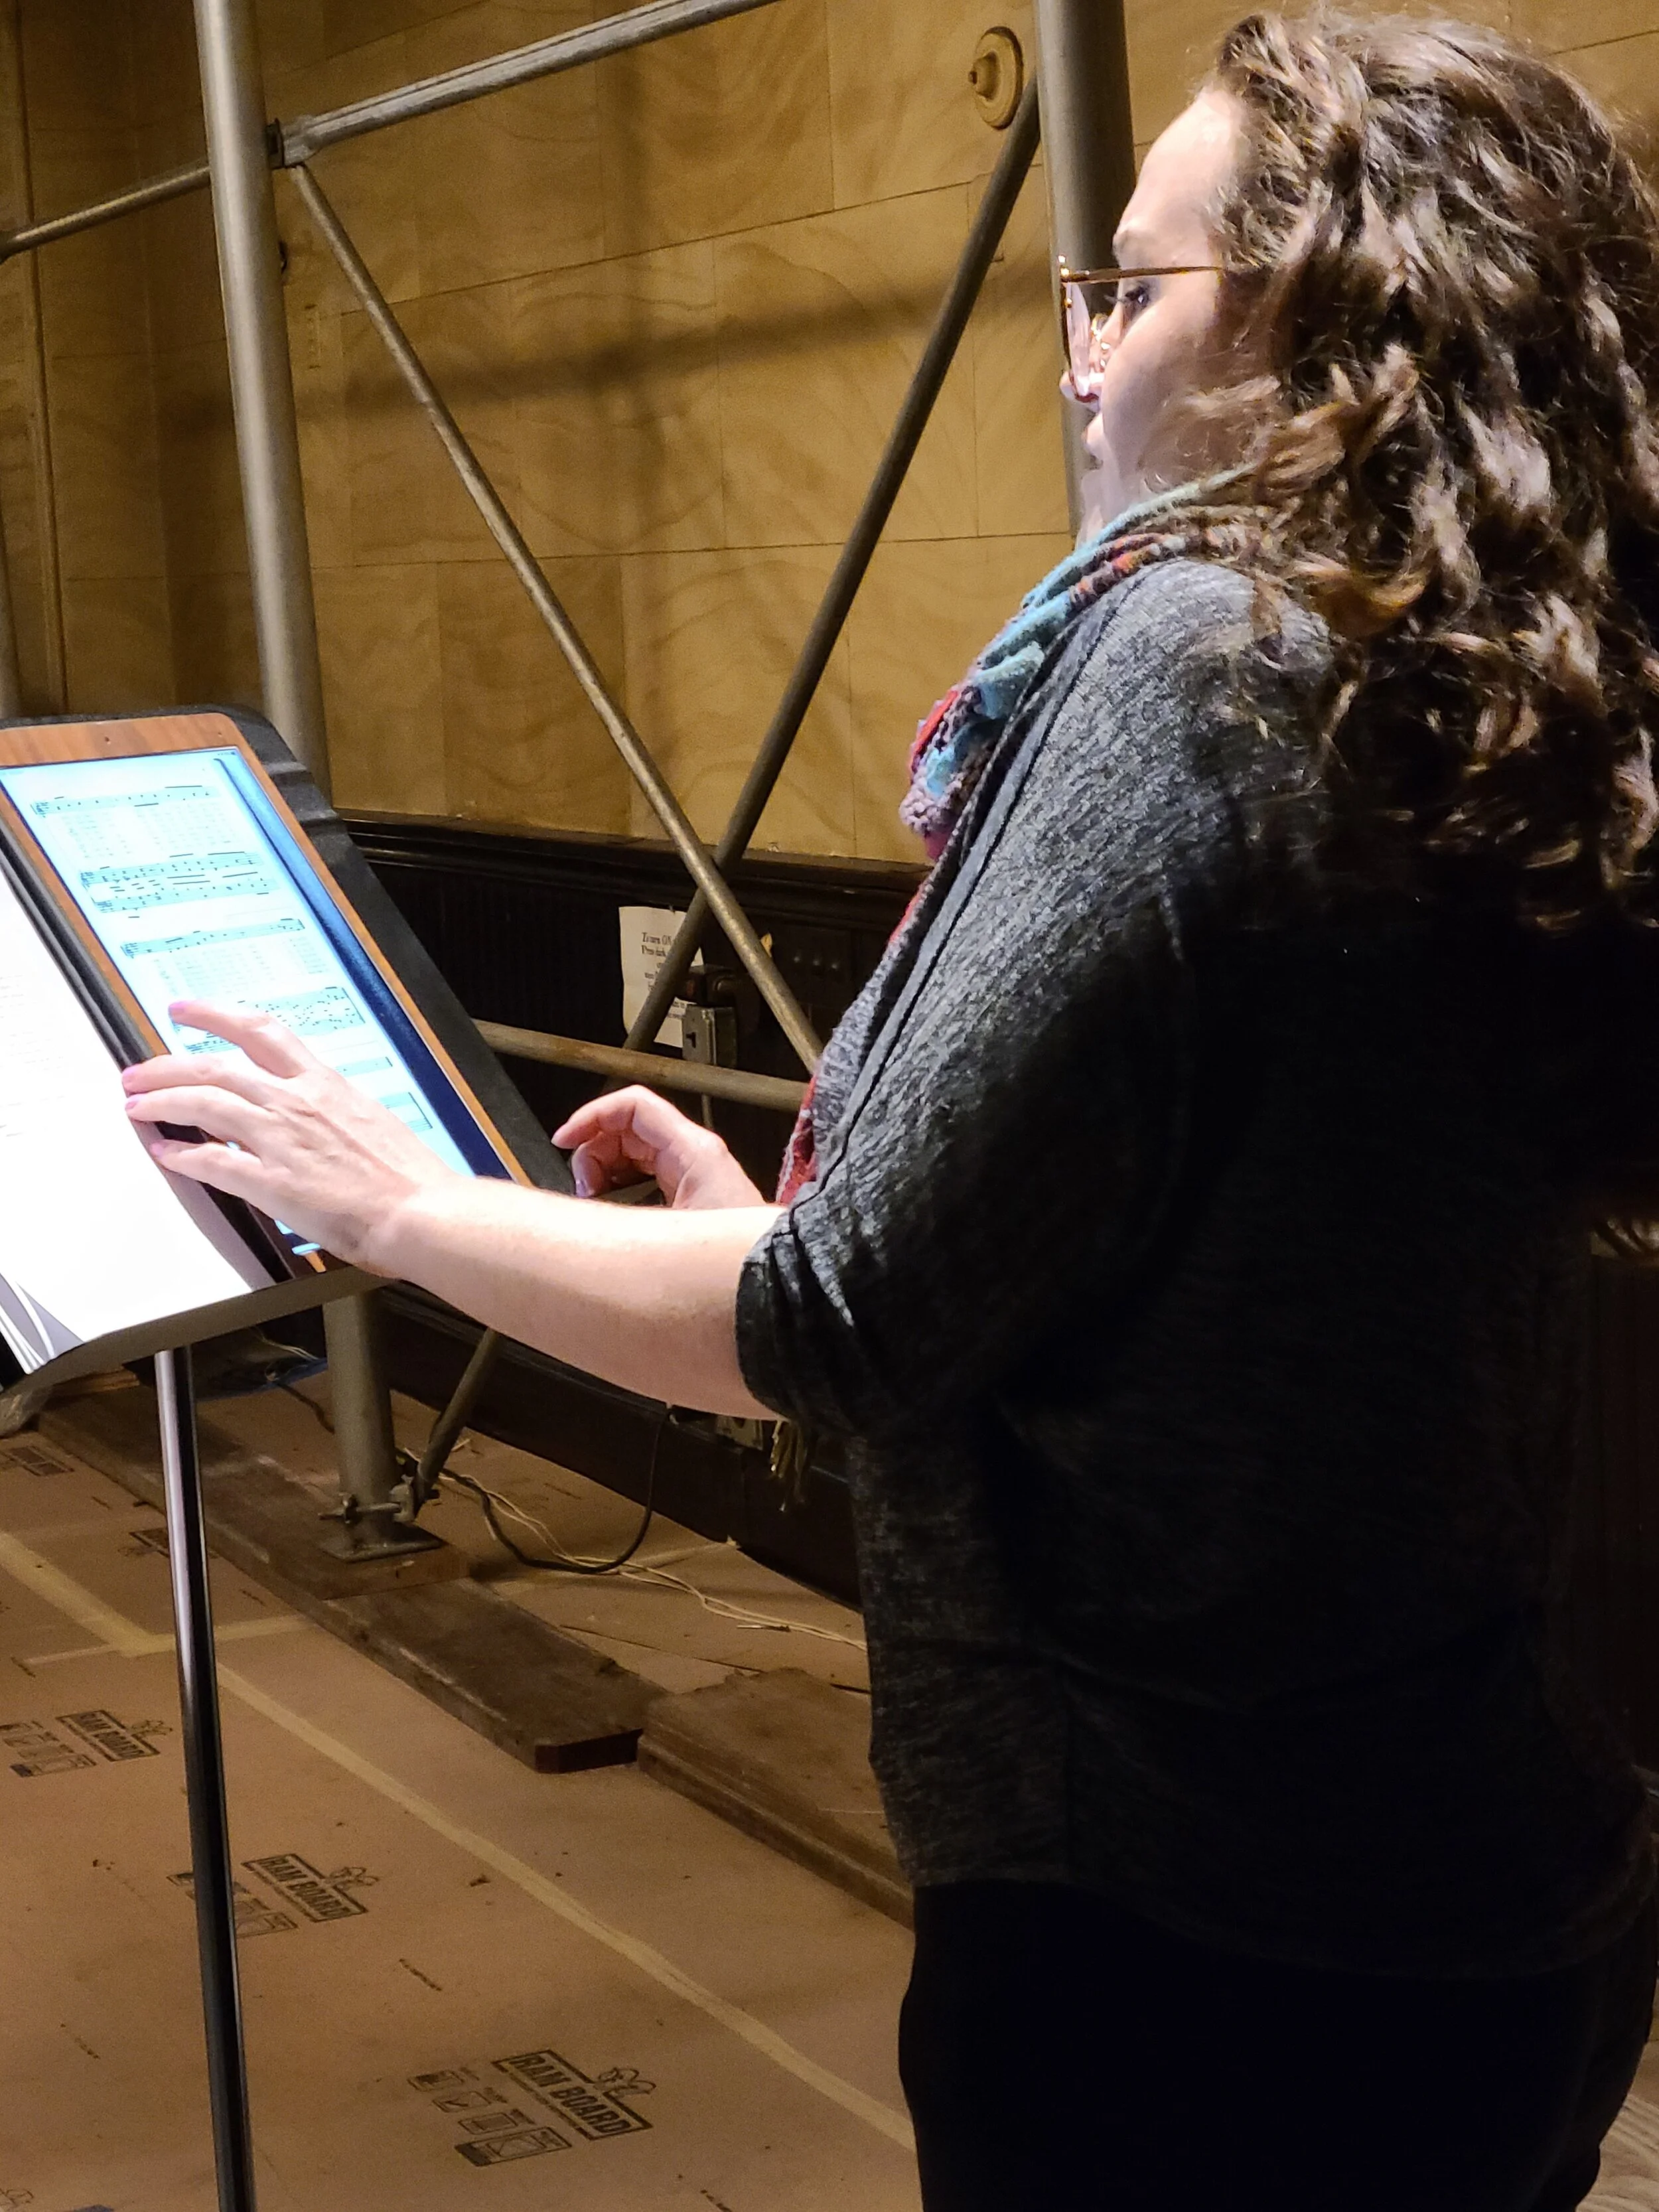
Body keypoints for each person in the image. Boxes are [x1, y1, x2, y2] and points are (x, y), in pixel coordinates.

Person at [122, 13, 1659, 2207]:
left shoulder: (1198, 650)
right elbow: (1146, 1278)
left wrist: (383, 1205)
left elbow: (831, 1323)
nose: (1080, 352)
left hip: (1192, 1954)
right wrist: (772, 1213)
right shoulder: (1450, 668)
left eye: (1132, 284)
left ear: (1328, 322)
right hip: (1467, 1893)